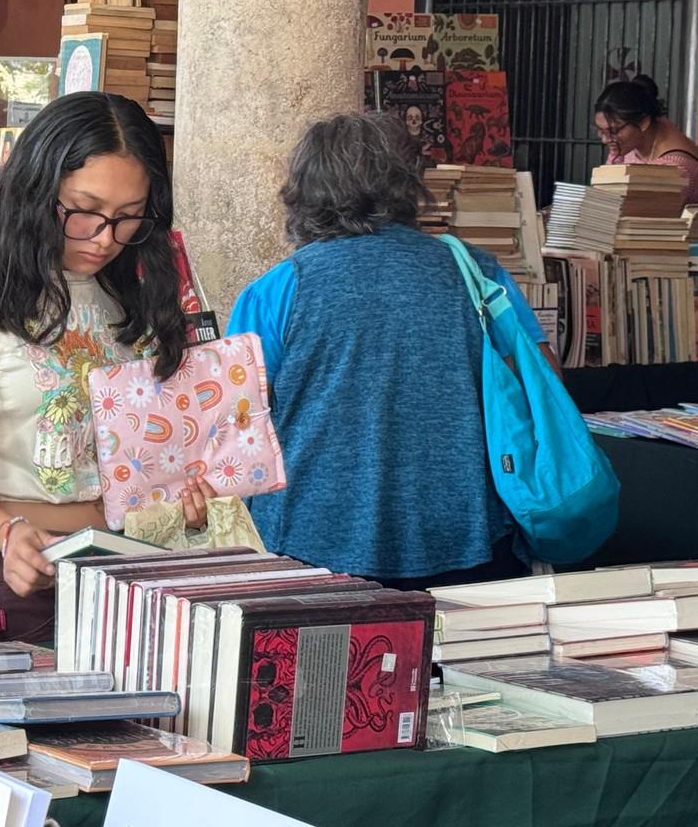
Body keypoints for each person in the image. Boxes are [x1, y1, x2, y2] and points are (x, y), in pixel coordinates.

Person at [0, 91, 210, 642]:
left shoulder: (134, 288)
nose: (106, 238)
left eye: (130, 217)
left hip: (126, 567)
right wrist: (5, 531)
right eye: (84, 211)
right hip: (8, 568)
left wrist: (184, 497)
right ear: (38, 190)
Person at [228, 112, 559, 591]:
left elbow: (238, 429)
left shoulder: (276, 291)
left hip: (308, 543)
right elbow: (542, 388)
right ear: (408, 183)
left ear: (303, 190)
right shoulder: (477, 273)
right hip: (467, 535)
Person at [594, 74, 698, 205]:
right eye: (601, 131)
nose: (605, 140)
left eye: (613, 131)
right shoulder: (632, 141)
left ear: (643, 123)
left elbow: (634, 210)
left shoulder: (675, 167)